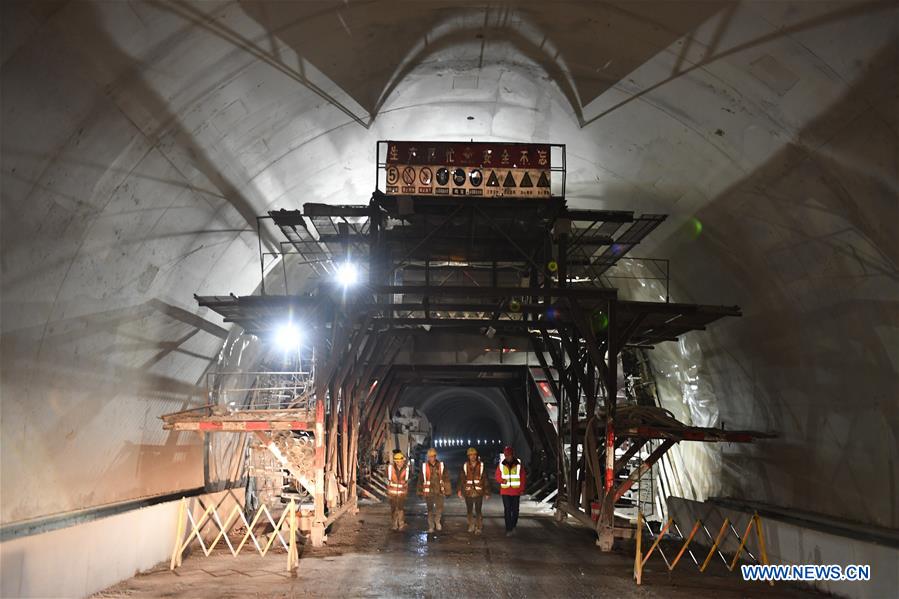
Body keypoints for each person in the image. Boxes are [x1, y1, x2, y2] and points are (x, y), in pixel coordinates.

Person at [417, 447, 451, 532]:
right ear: (428, 457)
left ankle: (437, 522)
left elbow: (446, 478)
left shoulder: (441, 466)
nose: (431, 458)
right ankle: (431, 526)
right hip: (429, 493)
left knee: (439, 508)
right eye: (429, 457)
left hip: (439, 491)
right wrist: (419, 492)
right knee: (430, 510)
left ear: (435, 457)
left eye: (432, 456)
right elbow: (420, 480)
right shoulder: (424, 467)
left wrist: (448, 491)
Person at [458, 447, 489, 534]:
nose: (473, 457)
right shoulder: (465, 466)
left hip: (478, 492)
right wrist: (459, 490)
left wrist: (487, 492)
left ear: (476, 455)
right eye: (471, 455)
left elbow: (485, 479)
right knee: (469, 510)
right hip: (468, 492)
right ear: (468, 456)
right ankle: (471, 525)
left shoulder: (481, 466)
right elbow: (461, 479)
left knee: (478, 510)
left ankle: (478, 527)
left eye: (474, 455)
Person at [495, 445, 525, 536]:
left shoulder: (518, 464)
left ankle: (513, 525)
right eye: (506, 455)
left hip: (516, 491)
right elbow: (497, 476)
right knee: (507, 510)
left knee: (515, 510)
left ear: (513, 455)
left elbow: (523, 477)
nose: (508, 457)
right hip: (505, 491)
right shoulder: (501, 464)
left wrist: (522, 489)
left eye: (509, 455)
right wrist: (501, 480)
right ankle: (508, 529)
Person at [387, 451, 410, 531]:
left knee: (400, 509)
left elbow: (407, 481)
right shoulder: (390, 469)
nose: (403, 462)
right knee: (393, 509)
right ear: (397, 462)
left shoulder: (406, 469)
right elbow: (387, 477)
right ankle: (394, 525)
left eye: (403, 461)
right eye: (401, 461)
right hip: (392, 493)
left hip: (402, 493)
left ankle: (401, 524)